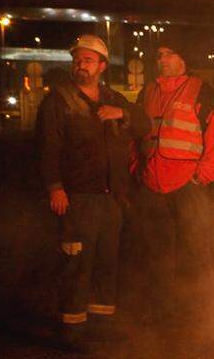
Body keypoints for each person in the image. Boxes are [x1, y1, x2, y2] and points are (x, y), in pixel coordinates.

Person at [36, 35, 150, 327]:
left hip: (111, 196)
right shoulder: (58, 101)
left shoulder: (113, 98)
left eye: (87, 60)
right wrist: (55, 188)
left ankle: (101, 323)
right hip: (78, 197)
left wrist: (122, 113)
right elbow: (47, 148)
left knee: (106, 260)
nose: (80, 65)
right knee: (77, 261)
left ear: (102, 65)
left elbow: (143, 123)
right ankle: (72, 327)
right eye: (77, 60)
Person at [133, 40, 214, 313]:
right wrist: (137, 168)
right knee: (157, 251)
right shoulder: (148, 92)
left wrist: (201, 177)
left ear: (183, 60)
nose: (162, 59)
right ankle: (165, 307)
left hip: (188, 185)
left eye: (169, 54)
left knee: (196, 248)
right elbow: (136, 134)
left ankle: (201, 308)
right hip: (153, 183)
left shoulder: (201, 92)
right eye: (160, 54)